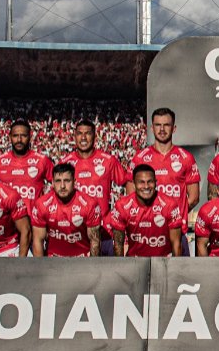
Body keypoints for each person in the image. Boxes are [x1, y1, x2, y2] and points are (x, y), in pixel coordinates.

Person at [130, 107, 201, 249]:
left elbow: (193, 197)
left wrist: (173, 216)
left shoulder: (186, 158)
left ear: (174, 128)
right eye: (158, 125)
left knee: (181, 272)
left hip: (178, 233)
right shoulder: (139, 158)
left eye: (166, 125)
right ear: (152, 128)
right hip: (147, 234)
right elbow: (131, 195)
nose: (162, 129)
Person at [60, 119, 130, 256]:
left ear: (95, 135)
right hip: (76, 234)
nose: (84, 137)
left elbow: (127, 181)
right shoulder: (66, 163)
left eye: (88, 133)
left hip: (104, 232)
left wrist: (122, 210)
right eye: (80, 133)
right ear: (74, 136)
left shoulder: (108, 160)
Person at [105, 165, 184, 257]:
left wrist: (173, 269)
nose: (146, 186)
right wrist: (121, 269)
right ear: (134, 184)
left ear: (156, 182)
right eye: (141, 182)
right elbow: (118, 245)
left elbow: (176, 244)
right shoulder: (122, 206)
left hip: (164, 262)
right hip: (135, 262)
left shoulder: (170, 204)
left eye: (150, 182)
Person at [29, 163, 101, 257]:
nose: (62, 186)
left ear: (74, 182)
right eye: (58, 181)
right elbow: (38, 240)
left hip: (82, 261)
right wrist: (42, 270)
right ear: (53, 183)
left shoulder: (90, 204)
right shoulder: (41, 204)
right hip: (53, 260)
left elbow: (95, 242)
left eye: (67, 181)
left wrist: (92, 269)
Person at [0, 119, 53, 207]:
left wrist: (45, 203)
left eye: (23, 136)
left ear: (30, 137)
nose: (19, 139)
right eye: (15, 136)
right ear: (10, 137)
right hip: (6, 219)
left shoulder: (42, 160)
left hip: (32, 219)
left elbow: (59, 183)